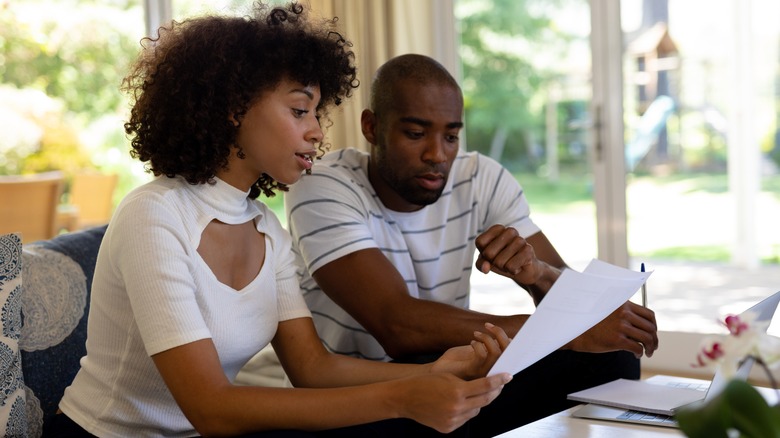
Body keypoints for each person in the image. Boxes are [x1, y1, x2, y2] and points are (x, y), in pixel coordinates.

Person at [47, 6, 513, 438]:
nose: (317, 131)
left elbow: (313, 368)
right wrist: (402, 398)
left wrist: (433, 372)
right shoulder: (154, 215)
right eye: (299, 111)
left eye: (316, 113)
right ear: (234, 108)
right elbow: (211, 407)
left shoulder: (266, 229)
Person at [284, 53, 660, 437]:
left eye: (451, 136)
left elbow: (570, 296)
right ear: (371, 127)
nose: (437, 155)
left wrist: (539, 274)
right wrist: (570, 332)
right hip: (364, 395)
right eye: (415, 134)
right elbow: (396, 324)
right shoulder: (324, 185)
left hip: (453, 371)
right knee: (577, 340)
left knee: (610, 353)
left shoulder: (480, 178)